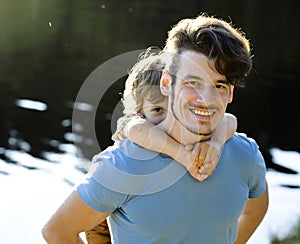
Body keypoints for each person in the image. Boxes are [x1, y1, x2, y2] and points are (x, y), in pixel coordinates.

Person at [42, 13, 269, 244]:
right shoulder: (123, 164)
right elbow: (57, 232)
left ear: (230, 92)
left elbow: (254, 211)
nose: (206, 99)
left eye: (218, 85)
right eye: (193, 83)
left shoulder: (245, 155)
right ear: (166, 83)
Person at [84, 51, 237, 243]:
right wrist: (183, 156)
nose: (168, 118)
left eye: (173, 109)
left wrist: (215, 143)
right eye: (157, 110)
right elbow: (139, 130)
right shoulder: (132, 124)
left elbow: (229, 120)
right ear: (138, 111)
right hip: (110, 210)